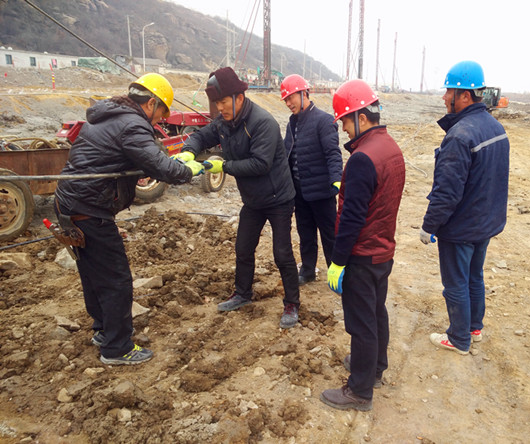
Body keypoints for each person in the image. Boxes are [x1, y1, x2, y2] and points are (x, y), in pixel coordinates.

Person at [54, 73, 204, 365]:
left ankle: (103, 331)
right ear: (151, 103)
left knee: (93, 273)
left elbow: (131, 158)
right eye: (161, 114)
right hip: (90, 209)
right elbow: (162, 168)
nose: (160, 121)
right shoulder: (133, 124)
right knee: (116, 279)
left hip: (69, 203)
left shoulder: (108, 117)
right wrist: (190, 170)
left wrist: (164, 163)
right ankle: (117, 348)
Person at [174, 67, 300, 329]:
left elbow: (261, 164)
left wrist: (223, 166)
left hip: (278, 198)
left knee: (282, 253)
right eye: (216, 103)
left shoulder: (262, 122)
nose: (220, 108)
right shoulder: (224, 122)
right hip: (253, 200)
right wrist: (188, 151)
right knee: (243, 248)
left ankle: (292, 303)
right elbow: (201, 136)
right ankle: (242, 293)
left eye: (223, 102)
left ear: (239, 97)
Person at [320, 80, 405, 411]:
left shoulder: (362, 159)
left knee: (361, 323)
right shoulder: (390, 147)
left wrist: (338, 261)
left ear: (361, 117)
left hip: (363, 254)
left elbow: (352, 217)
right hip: (383, 251)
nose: (343, 128)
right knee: (376, 312)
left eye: (344, 120)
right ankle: (375, 367)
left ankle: (359, 391)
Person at [420, 60, 510, 355]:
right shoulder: (496, 127)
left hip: (461, 228)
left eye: (449, 92)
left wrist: (429, 226)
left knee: (456, 282)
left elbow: (447, 192)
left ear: (465, 96)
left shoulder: (459, 136)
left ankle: (459, 338)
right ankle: (474, 328)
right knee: (474, 276)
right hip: (484, 223)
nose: (444, 97)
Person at [280, 74, 343, 285]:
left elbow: (333, 153)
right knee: (305, 233)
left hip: (322, 192)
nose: (288, 103)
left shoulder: (323, 121)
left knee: (329, 235)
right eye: (285, 100)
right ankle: (308, 270)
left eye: (290, 98)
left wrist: (337, 179)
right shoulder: (292, 123)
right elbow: (287, 153)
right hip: (300, 192)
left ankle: (336, 273)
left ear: (303, 93)